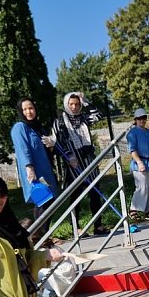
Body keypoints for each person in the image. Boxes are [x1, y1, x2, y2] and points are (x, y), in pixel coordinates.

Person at [53, 92, 108, 235]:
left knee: (95, 191)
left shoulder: (83, 118)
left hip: (88, 157)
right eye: (71, 104)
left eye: (77, 104)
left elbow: (98, 115)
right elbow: (57, 142)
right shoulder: (59, 121)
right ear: (66, 104)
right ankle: (75, 227)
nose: (74, 107)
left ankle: (98, 225)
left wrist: (85, 101)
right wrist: (69, 157)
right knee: (76, 194)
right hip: (73, 161)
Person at [11, 97, 60, 219]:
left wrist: (51, 145)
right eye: (25, 109)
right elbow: (22, 149)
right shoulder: (20, 127)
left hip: (46, 170)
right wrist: (29, 167)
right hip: (35, 172)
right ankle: (41, 235)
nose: (29, 112)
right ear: (20, 111)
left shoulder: (37, 127)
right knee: (43, 199)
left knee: (49, 200)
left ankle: (42, 235)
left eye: (31, 108)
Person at [126, 108, 149, 222]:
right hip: (140, 163)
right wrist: (139, 162)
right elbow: (132, 149)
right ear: (135, 120)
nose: (142, 120)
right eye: (139, 118)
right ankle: (133, 210)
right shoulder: (132, 133)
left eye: (144, 118)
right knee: (142, 187)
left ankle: (148, 210)